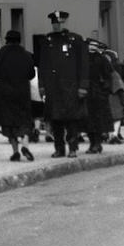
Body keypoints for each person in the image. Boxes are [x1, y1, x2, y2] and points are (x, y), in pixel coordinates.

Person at [38, 10, 89, 158]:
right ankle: (59, 148)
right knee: (55, 119)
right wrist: (42, 85)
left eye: (59, 22)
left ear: (65, 22)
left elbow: (83, 65)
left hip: (71, 86)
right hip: (53, 87)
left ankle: (72, 147)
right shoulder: (47, 41)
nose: (57, 26)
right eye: (54, 23)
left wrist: (83, 86)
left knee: (71, 119)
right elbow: (43, 64)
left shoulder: (76, 40)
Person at [0, 30, 36, 161]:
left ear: (6, 40)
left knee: (9, 122)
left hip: (6, 92)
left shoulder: (1, 54)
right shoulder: (26, 54)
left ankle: (15, 151)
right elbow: (32, 74)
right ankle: (25, 144)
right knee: (24, 120)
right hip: (22, 91)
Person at [85, 39, 114, 154]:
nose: (92, 48)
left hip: (98, 93)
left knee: (98, 120)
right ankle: (92, 143)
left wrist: (104, 91)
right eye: (90, 45)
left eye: (94, 46)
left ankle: (97, 143)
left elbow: (108, 77)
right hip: (87, 93)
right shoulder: (83, 59)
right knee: (88, 120)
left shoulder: (102, 60)